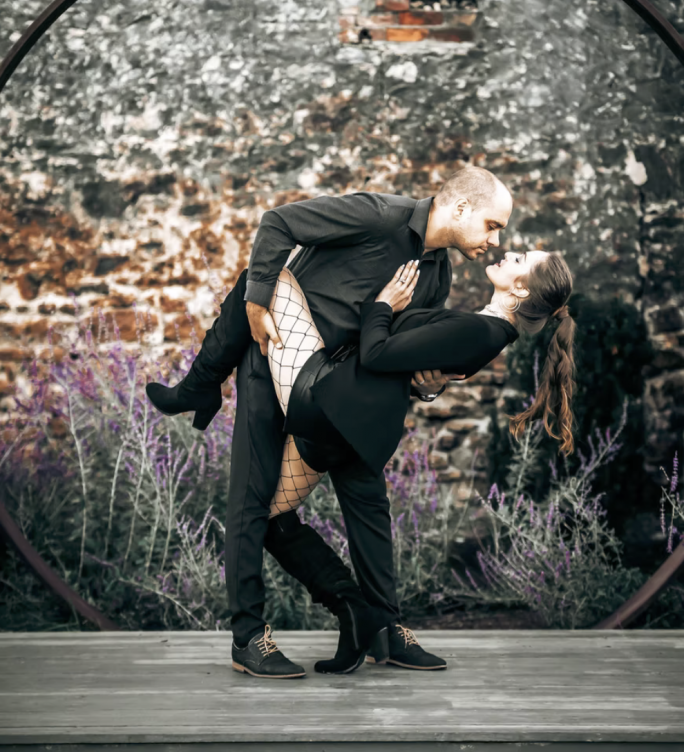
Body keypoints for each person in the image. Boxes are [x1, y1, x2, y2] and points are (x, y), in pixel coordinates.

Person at [147, 167, 516, 678]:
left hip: (340, 397)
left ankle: (381, 626)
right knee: (253, 498)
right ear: (460, 209)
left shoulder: (436, 276)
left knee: (369, 502)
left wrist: (427, 385)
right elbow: (277, 223)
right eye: (493, 225)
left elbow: (393, 356)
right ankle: (248, 638)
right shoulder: (376, 216)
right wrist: (256, 304)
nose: (496, 240)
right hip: (273, 358)